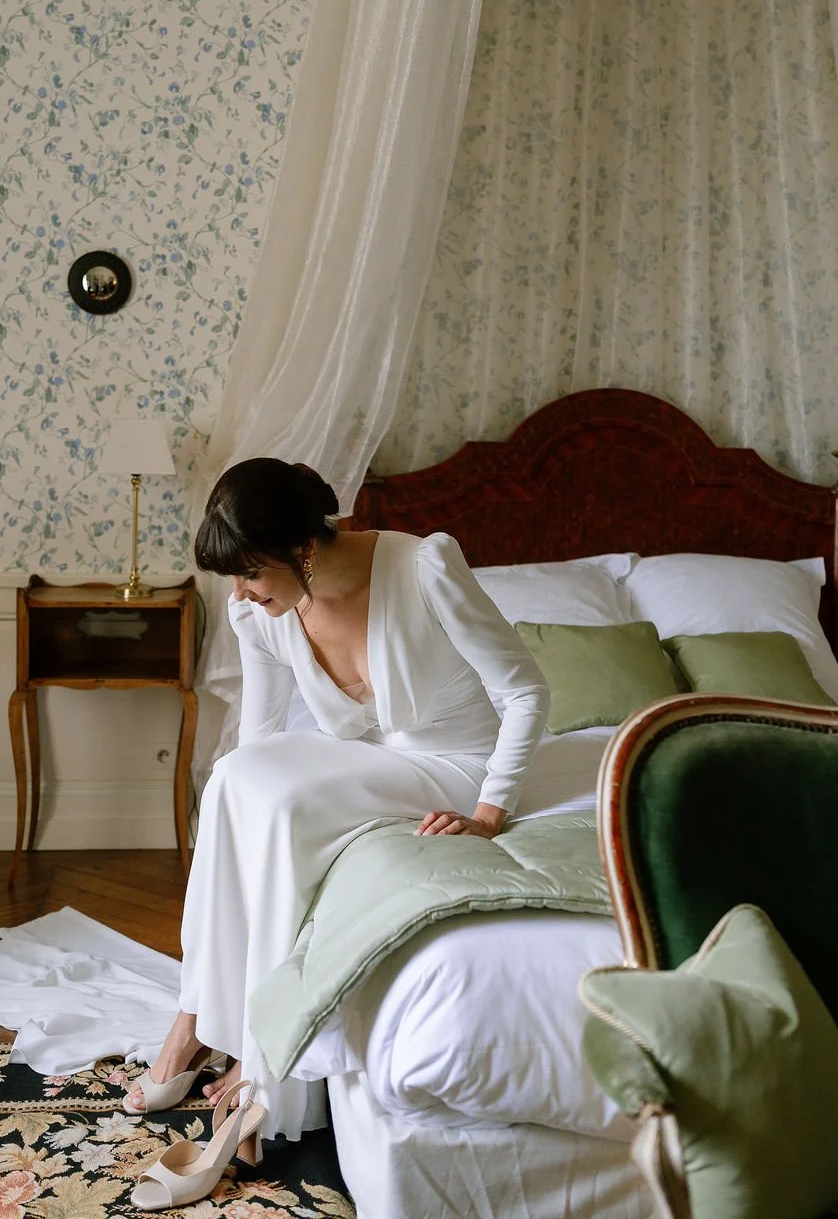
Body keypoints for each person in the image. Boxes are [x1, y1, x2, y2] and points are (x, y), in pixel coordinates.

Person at [124, 456, 550, 1150]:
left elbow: (526, 694)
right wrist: (253, 795)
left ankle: (267, 1059)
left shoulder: (426, 567)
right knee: (236, 778)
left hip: (456, 763)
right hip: (373, 760)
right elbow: (261, 744)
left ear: (304, 547)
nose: (240, 591)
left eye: (251, 572)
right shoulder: (259, 611)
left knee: (288, 809)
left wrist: (490, 815)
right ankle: (197, 1019)